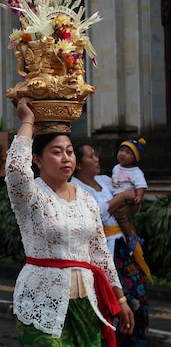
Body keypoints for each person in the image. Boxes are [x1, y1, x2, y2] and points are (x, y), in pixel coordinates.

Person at [6, 97, 133, 346]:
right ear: (38, 160)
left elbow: (100, 254)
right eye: (56, 152)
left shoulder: (86, 199)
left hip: (86, 301)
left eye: (69, 151)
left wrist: (120, 299)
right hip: (40, 300)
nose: (66, 158)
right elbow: (16, 171)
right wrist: (28, 121)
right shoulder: (31, 196)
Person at [72, 143, 150, 346]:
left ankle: (135, 339)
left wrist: (128, 207)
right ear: (79, 164)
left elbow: (131, 193)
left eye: (96, 154)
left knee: (139, 302)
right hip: (104, 252)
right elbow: (95, 214)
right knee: (111, 304)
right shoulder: (76, 188)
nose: (97, 158)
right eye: (91, 156)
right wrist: (121, 198)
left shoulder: (105, 180)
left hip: (125, 246)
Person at [110, 138, 148, 252]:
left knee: (122, 218)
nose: (123, 154)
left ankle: (130, 238)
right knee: (125, 220)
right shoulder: (116, 168)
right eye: (121, 150)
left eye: (128, 152)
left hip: (129, 200)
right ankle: (134, 236)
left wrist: (139, 197)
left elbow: (141, 186)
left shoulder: (136, 172)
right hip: (118, 197)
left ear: (135, 158)